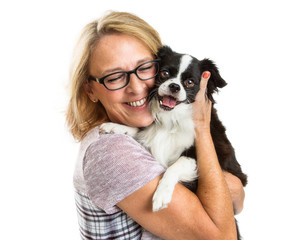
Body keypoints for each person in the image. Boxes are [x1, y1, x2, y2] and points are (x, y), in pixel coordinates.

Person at [66, 11, 245, 240]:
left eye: (144, 68)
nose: (137, 87)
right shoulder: (111, 153)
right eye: (114, 77)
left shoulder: (138, 133)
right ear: (90, 90)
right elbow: (222, 236)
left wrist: (231, 187)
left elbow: (237, 197)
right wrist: (202, 129)